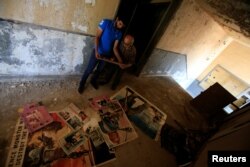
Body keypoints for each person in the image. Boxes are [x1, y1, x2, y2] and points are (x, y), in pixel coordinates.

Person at [78, 16, 126, 94]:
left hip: (106, 55)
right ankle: (82, 83)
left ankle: (93, 81)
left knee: (99, 70)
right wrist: (96, 51)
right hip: (97, 51)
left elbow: (115, 48)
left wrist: (120, 61)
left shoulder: (119, 33)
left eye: (122, 26)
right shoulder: (106, 22)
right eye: (120, 23)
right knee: (89, 69)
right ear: (117, 19)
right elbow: (97, 37)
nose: (120, 26)